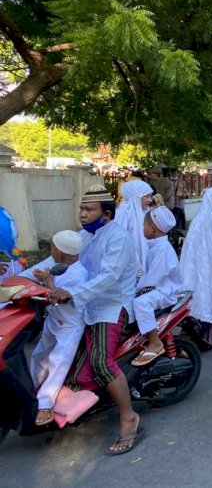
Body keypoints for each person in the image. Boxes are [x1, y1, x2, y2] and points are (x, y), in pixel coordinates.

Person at [47, 186, 142, 456]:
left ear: (107, 214)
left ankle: (129, 416)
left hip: (111, 307)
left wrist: (72, 293)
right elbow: (57, 261)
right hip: (84, 304)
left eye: (89, 210)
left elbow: (110, 277)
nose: (83, 214)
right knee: (62, 357)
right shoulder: (83, 237)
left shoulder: (119, 238)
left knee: (101, 362)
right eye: (81, 209)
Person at [25, 230, 89, 427]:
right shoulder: (60, 266)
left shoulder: (80, 274)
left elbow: (58, 296)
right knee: (39, 355)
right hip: (53, 321)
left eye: (52, 247)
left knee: (57, 362)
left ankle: (45, 403)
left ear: (60, 253)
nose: (50, 250)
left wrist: (47, 281)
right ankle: (30, 389)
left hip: (69, 326)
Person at [179, 188, 212, 347]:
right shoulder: (201, 220)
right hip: (202, 270)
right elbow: (194, 249)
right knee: (203, 300)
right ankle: (196, 339)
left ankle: (207, 338)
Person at [131, 207, 182, 366]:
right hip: (158, 286)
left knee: (140, 303)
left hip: (166, 290)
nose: (142, 228)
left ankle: (155, 342)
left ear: (152, 228)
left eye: (144, 225)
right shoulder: (155, 245)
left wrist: (135, 290)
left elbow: (153, 278)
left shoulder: (161, 248)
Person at [115, 179, 153, 274]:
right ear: (136, 197)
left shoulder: (145, 213)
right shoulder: (123, 213)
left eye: (151, 196)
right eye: (146, 196)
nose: (150, 200)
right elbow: (120, 242)